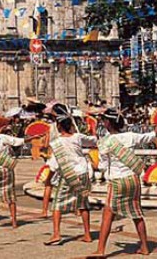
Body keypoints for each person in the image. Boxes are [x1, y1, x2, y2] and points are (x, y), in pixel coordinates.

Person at [93, 108, 157, 256]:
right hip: (133, 179)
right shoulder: (131, 136)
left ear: (107, 123)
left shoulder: (105, 142)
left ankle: (100, 250)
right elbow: (152, 135)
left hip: (116, 181)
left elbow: (101, 166)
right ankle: (145, 247)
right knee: (136, 213)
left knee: (107, 214)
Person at [44, 104, 97, 246]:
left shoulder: (57, 143)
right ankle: (87, 234)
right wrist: (93, 130)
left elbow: (55, 165)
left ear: (59, 126)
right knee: (83, 204)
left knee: (57, 204)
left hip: (69, 175)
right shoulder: (78, 137)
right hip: (83, 173)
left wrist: (48, 178)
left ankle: (56, 233)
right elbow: (93, 141)